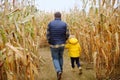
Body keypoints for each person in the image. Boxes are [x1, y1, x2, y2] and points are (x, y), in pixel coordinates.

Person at [46, 12, 69, 80]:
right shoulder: (64, 24)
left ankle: (58, 71)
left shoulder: (50, 24)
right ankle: (61, 70)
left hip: (53, 44)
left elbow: (48, 34)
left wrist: (49, 41)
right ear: (60, 16)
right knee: (60, 57)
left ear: (54, 16)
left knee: (55, 58)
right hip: (62, 44)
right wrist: (64, 40)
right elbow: (67, 34)